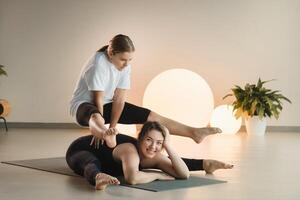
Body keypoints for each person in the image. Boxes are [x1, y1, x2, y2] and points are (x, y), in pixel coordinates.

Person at [69, 34, 222, 149]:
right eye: (123, 59)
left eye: (130, 60)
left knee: (151, 116)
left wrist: (112, 128)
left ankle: (193, 132)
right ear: (111, 53)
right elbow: (98, 99)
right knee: (96, 116)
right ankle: (103, 134)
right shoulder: (98, 64)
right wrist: (102, 131)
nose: (126, 64)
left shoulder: (125, 65)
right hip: (83, 106)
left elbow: (120, 99)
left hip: (107, 104)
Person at [66, 121, 233, 190]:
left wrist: (167, 145)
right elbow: (132, 179)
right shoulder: (130, 150)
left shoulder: (156, 152)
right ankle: (98, 177)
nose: (153, 146)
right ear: (140, 139)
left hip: (100, 156)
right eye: (149, 140)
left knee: (166, 161)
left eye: (158, 143)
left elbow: (183, 174)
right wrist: (156, 175)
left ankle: (205, 164)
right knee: (92, 162)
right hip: (81, 150)